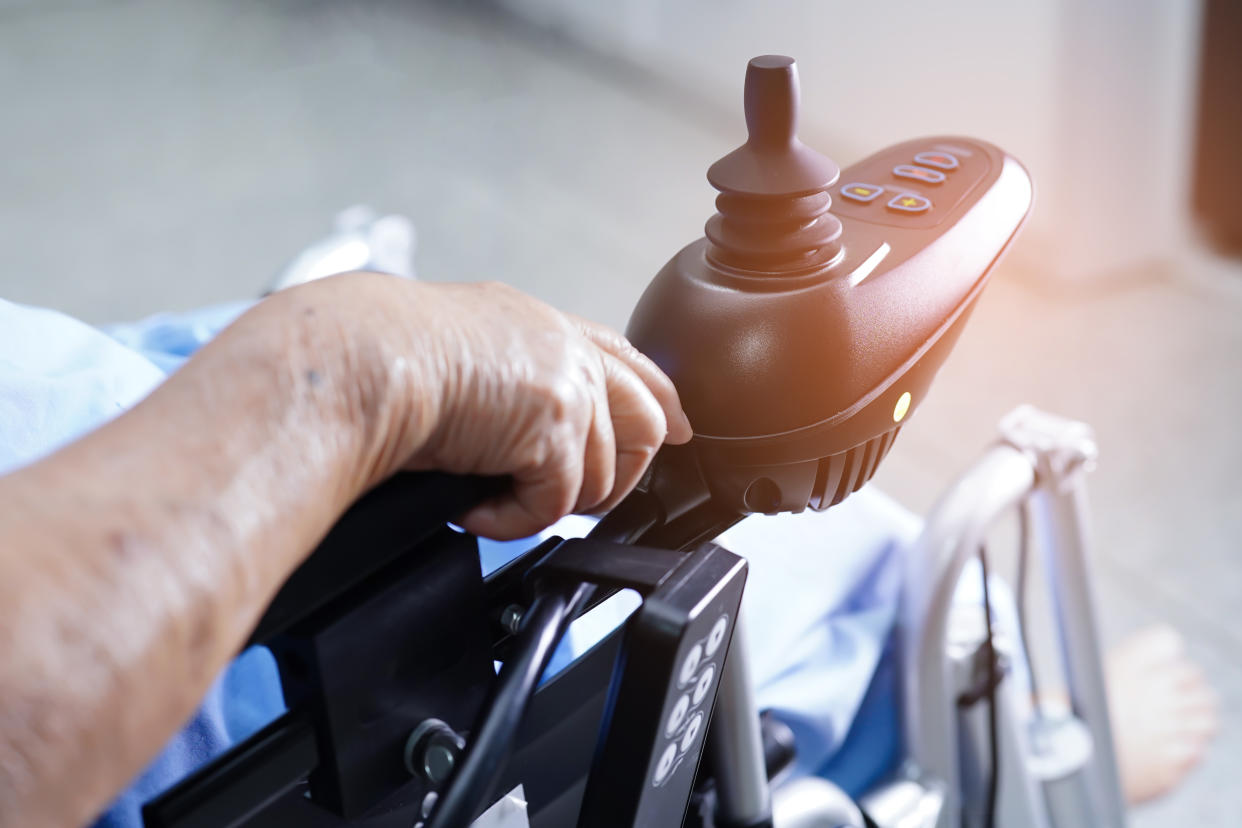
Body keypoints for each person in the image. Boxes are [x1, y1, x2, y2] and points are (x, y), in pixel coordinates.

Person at [0, 267, 1218, 828]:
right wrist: (354, 376)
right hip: (173, 654)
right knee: (813, 571)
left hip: (78, 417)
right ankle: (1021, 733)